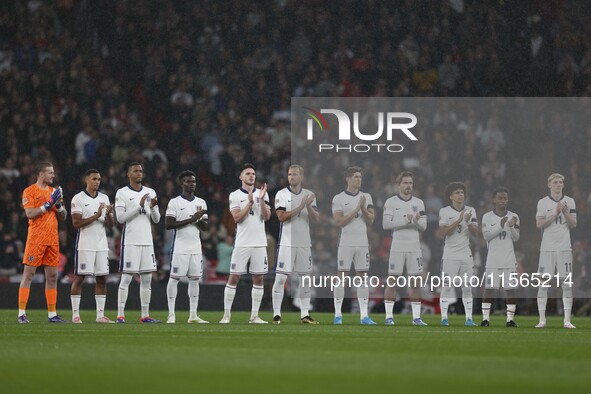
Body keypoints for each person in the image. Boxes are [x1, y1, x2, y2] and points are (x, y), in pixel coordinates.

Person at [220, 163, 271, 324]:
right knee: (234, 277)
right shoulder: (234, 195)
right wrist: (249, 202)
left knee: (258, 278)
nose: (251, 176)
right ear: (241, 177)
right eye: (248, 173)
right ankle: (226, 315)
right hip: (242, 243)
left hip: (259, 243)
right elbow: (236, 218)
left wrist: (261, 200)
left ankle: (254, 316)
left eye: (253, 173)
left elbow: (267, 216)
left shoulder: (262, 193)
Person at [18, 161, 68, 323]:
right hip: (36, 239)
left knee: (52, 277)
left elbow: (64, 216)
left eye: (53, 173)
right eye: (50, 173)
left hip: (52, 240)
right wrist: (48, 204)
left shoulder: (54, 192)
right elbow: (30, 213)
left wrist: (59, 206)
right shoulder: (30, 191)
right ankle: (21, 313)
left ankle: (52, 314)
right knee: (29, 275)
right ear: (40, 174)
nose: (53, 176)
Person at [271, 164, 320, 324]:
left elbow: (316, 219)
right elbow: (281, 217)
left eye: (295, 174)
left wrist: (308, 207)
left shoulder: (309, 194)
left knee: (305, 279)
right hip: (287, 244)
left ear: (302, 177)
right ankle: (276, 314)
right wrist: (301, 206)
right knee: (280, 278)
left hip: (304, 244)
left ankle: (305, 314)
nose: (291, 177)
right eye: (290, 174)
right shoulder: (282, 194)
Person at [114, 162, 161, 323]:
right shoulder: (122, 193)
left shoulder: (150, 192)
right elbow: (120, 218)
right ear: (129, 174)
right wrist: (138, 207)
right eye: (135, 171)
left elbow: (156, 219)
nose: (139, 173)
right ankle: (120, 315)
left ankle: (145, 315)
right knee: (126, 278)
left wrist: (153, 208)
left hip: (147, 242)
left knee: (147, 279)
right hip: (130, 242)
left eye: (141, 171)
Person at [332, 166, 376, 325]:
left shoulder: (367, 197)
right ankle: (338, 314)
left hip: (362, 243)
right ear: (348, 179)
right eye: (356, 176)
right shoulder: (338, 198)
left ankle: (364, 315)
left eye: (360, 176)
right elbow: (338, 221)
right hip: (346, 243)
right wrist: (355, 209)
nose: (359, 179)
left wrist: (363, 208)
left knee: (363, 277)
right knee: (341, 277)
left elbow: (371, 220)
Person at [382, 171, 428, 326]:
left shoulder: (419, 203)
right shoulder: (391, 202)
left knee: (415, 283)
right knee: (392, 281)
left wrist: (414, 221)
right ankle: (389, 316)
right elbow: (386, 224)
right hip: (397, 247)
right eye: (405, 183)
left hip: (414, 247)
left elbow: (423, 226)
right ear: (399, 184)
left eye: (410, 183)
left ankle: (416, 318)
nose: (408, 186)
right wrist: (404, 220)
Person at [70, 169, 115, 323]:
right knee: (80, 278)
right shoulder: (79, 198)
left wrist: (108, 214)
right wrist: (96, 215)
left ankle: (100, 315)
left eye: (99, 179)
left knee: (102, 279)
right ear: (86, 180)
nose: (97, 181)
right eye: (94, 178)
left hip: (101, 245)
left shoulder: (104, 198)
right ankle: (75, 315)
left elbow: (111, 225)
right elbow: (76, 223)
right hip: (85, 244)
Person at [165, 170, 209, 324]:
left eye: (193, 181)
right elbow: (169, 224)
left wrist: (198, 220)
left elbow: (205, 228)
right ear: (181, 184)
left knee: (195, 280)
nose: (191, 184)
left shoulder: (201, 202)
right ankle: (171, 314)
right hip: (180, 248)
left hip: (196, 248)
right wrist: (192, 219)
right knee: (174, 279)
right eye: (188, 181)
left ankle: (193, 315)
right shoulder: (174, 202)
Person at [535, 173, 577, 329]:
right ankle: (542, 320)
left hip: (565, 248)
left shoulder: (570, 201)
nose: (558, 184)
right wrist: (555, 212)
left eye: (560, 182)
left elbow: (573, 224)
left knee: (566, 284)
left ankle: (567, 320)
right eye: (555, 182)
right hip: (547, 248)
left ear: (563, 185)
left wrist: (565, 211)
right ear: (549, 185)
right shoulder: (542, 202)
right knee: (543, 284)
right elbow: (539, 224)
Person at [438, 181, 479, 326]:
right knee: (447, 286)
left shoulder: (471, 210)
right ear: (451, 196)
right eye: (457, 192)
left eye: (462, 192)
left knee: (467, 287)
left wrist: (467, 222)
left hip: (465, 254)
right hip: (450, 254)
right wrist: (459, 220)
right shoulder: (444, 211)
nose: (460, 195)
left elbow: (476, 233)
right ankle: (444, 317)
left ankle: (469, 319)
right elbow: (443, 232)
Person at [480, 187, 520, 327]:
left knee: (510, 290)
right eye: (500, 198)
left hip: (509, 260)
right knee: (489, 289)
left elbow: (516, 238)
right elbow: (486, 236)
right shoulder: (487, 217)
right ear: (494, 200)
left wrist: (512, 226)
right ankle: (485, 319)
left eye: (505, 198)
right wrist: (501, 225)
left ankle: (510, 320)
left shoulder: (514, 216)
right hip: (493, 260)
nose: (503, 201)